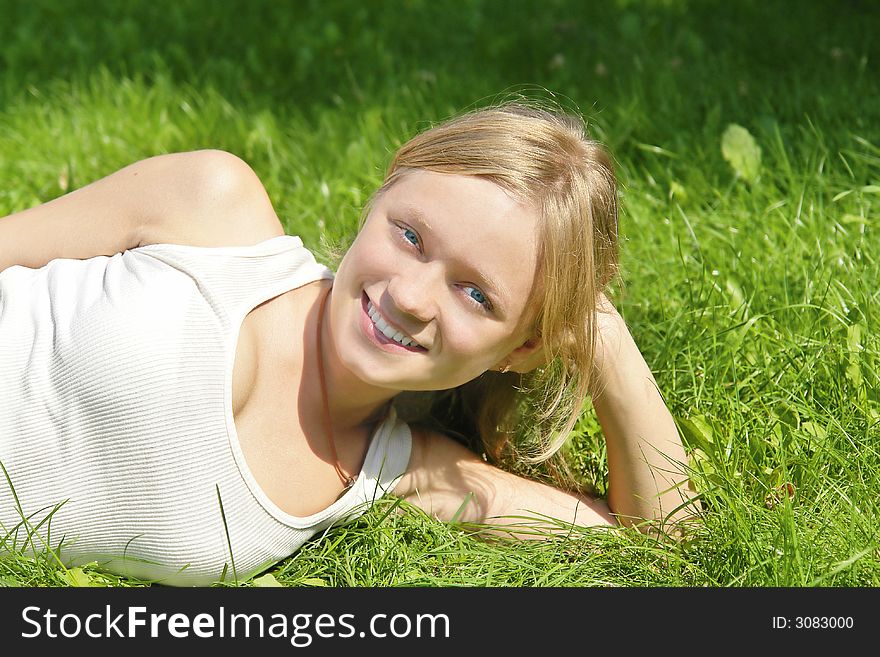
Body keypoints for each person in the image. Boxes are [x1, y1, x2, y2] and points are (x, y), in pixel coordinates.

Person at [0, 101, 694, 586]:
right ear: (380, 192)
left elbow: (662, 546)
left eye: (477, 294)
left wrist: (605, 342)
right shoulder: (212, 210)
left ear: (520, 349)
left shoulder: (400, 471)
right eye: (411, 235)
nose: (412, 296)